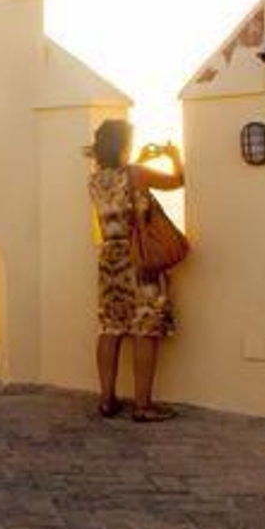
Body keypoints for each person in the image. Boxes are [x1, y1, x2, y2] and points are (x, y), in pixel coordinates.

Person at [87, 119, 184, 423]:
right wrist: (173, 155)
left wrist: (139, 160)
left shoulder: (95, 180)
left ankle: (107, 400)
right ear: (122, 145)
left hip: (110, 259)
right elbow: (177, 180)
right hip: (138, 258)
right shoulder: (136, 174)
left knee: (110, 329)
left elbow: (124, 189)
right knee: (145, 329)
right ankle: (143, 406)